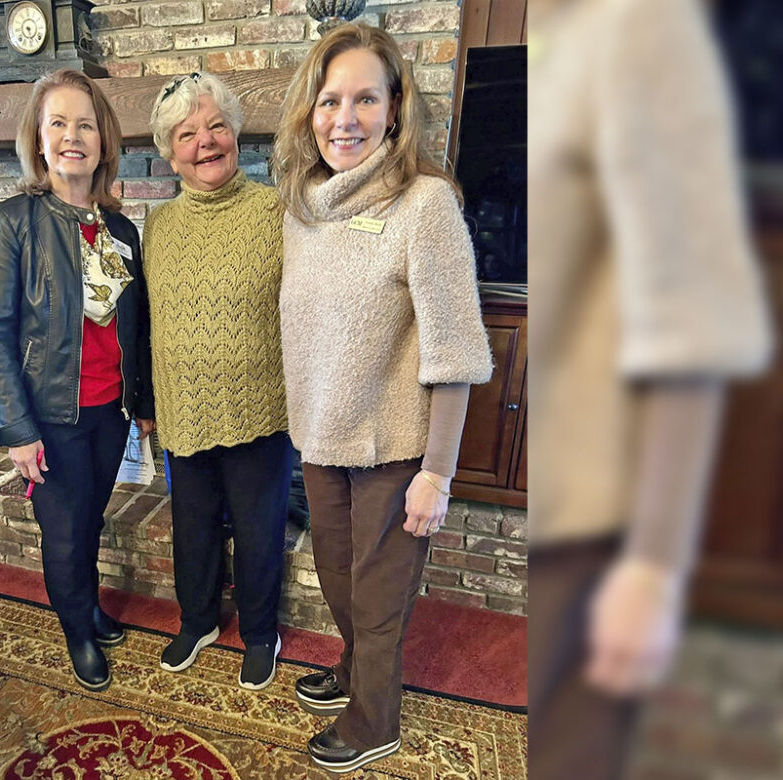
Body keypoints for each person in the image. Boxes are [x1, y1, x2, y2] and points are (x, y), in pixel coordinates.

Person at [528, 0, 771, 777]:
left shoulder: (648, 31)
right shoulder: (560, 37)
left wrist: (654, 564)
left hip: (596, 509)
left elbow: (693, 315)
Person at [274, 23, 493, 773]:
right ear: (310, 112)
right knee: (338, 581)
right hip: (321, 442)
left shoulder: (425, 205)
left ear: (394, 109)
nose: (345, 118)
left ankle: (376, 721)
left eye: (365, 98)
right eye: (330, 100)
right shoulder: (303, 208)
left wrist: (438, 471)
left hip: (394, 451)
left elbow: (457, 352)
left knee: (379, 599)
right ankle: (354, 672)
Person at [0, 69, 155, 693]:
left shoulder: (123, 231)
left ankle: (89, 607)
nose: (73, 136)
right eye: (59, 123)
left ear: (103, 141)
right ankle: (77, 628)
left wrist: (142, 405)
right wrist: (18, 430)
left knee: (90, 519)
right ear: (40, 139)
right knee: (63, 529)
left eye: (86, 124)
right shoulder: (12, 221)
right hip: (49, 417)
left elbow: (136, 330)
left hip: (110, 410)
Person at [143, 72, 292, 690]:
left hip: (261, 405)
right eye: (186, 133)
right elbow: (148, 318)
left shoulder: (278, 212)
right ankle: (198, 619)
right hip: (183, 408)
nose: (204, 142)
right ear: (168, 151)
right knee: (193, 525)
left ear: (236, 135)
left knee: (259, 528)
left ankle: (260, 632)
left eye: (216, 127)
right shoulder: (157, 227)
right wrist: (148, 401)